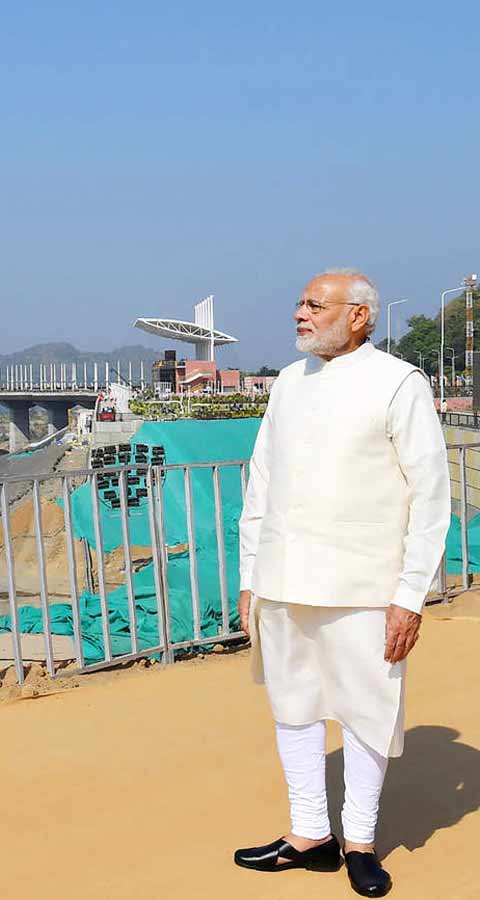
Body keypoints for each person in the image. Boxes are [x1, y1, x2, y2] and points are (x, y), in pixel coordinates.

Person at [234, 268, 451, 896]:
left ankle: (359, 839)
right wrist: (252, 576)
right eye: (299, 303)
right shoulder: (286, 384)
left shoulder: (398, 382)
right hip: (284, 578)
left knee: (365, 712)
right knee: (293, 709)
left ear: (358, 315)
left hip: (365, 584)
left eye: (315, 305)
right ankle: (309, 835)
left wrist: (410, 594)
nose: (301, 314)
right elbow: (262, 485)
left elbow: (430, 497)